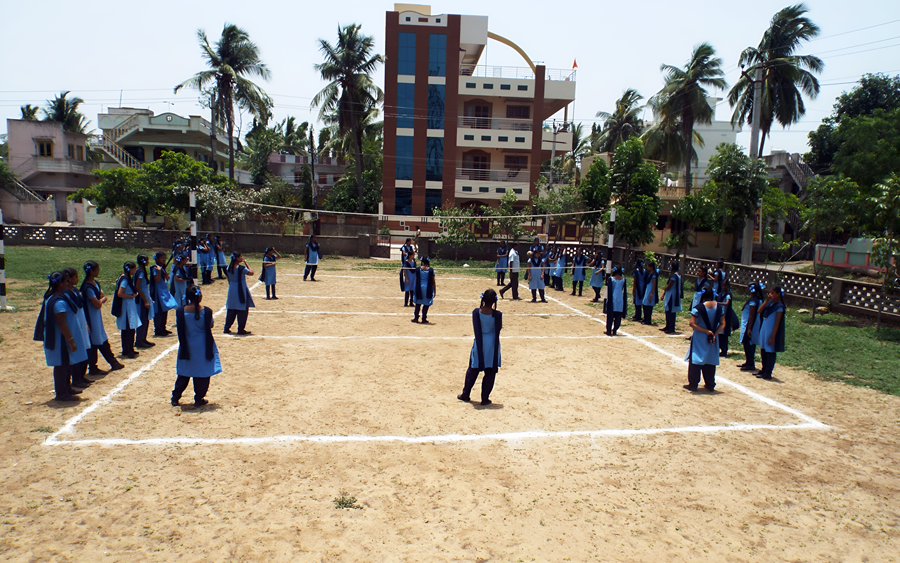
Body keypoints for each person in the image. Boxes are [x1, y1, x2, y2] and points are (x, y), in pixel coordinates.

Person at [35, 272, 89, 402]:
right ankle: (61, 393)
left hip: (64, 338)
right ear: (60, 283)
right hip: (61, 340)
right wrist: (71, 341)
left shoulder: (56, 297)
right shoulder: (58, 302)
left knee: (67, 364)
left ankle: (67, 388)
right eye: (66, 281)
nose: (68, 284)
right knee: (62, 365)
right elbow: (61, 323)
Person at [171, 286, 221, 407]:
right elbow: (211, 325)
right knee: (202, 373)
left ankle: (175, 397)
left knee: (184, 373)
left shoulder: (181, 311)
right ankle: (199, 398)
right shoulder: (207, 311)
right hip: (203, 346)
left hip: (187, 346)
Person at [458, 289, 502, 406]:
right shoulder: (497, 314)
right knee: (490, 371)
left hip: (479, 342)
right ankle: (485, 398)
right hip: (492, 344)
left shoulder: (476, 312)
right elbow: (499, 328)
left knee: (473, 368)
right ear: (494, 301)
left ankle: (466, 394)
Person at [81, 261, 125, 376]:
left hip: (96, 317)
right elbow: (97, 304)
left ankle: (108, 363)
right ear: (91, 271)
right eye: (96, 270)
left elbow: (100, 297)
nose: (98, 271)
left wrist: (101, 299)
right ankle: (102, 365)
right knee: (96, 341)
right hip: (91, 318)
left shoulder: (95, 283)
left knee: (100, 339)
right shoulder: (87, 287)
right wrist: (102, 299)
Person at [684, 287, 727, 392]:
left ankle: (693, 384)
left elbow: (692, 323)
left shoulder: (698, 308)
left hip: (700, 337)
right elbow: (723, 324)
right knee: (710, 360)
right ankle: (710, 384)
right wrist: (714, 333)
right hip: (713, 339)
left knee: (696, 359)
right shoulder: (719, 307)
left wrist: (705, 331)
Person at [61, 267, 93, 390]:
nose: (78, 279)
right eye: (75, 277)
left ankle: (81, 375)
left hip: (81, 322)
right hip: (74, 324)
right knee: (76, 352)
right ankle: (76, 379)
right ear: (68, 279)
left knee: (85, 349)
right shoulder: (65, 294)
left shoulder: (74, 290)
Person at [111, 262, 142, 359]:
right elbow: (120, 293)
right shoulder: (125, 280)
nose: (135, 270)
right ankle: (129, 350)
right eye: (134, 269)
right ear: (130, 269)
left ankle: (127, 349)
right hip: (126, 307)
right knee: (129, 329)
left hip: (128, 306)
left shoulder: (124, 277)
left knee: (127, 329)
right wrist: (130, 296)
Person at [755, 286, 787, 380]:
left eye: (773, 293)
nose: (771, 295)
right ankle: (764, 369)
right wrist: (767, 301)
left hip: (771, 331)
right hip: (764, 329)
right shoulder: (769, 303)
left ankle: (768, 372)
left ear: (778, 294)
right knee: (763, 350)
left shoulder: (779, 307)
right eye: (770, 293)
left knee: (770, 351)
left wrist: (773, 336)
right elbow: (759, 311)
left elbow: (777, 323)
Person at [224, 252, 255, 335]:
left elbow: (228, 278)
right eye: (240, 256)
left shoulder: (228, 267)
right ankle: (241, 329)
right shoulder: (241, 268)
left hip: (232, 288)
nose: (242, 257)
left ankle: (227, 327)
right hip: (240, 288)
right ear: (237, 258)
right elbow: (251, 272)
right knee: (242, 309)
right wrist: (246, 262)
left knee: (231, 309)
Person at [737, 282, 765, 372]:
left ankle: (750, 363)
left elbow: (752, 314)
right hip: (753, 324)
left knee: (748, 342)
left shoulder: (753, 301)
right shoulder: (758, 299)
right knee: (749, 343)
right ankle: (748, 361)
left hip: (750, 324)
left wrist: (749, 328)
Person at [150, 252, 178, 337]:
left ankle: (163, 327)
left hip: (163, 291)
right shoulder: (155, 268)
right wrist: (159, 271)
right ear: (157, 259)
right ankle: (158, 329)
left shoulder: (162, 268)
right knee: (159, 310)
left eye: (165, 257)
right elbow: (157, 280)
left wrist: (166, 276)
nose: (164, 259)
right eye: (162, 258)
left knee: (164, 310)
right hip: (158, 292)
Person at [133, 254, 155, 349]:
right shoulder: (141, 273)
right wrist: (145, 300)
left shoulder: (140, 271)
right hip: (142, 299)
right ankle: (139, 340)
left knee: (145, 319)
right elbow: (138, 287)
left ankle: (143, 339)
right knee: (143, 319)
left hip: (144, 297)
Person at [411, 256, 436, 324]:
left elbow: (416, 280)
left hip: (419, 287)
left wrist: (415, 288)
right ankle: (424, 318)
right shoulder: (431, 270)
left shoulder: (418, 269)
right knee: (426, 304)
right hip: (427, 288)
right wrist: (435, 290)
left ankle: (416, 318)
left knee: (418, 304)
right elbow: (433, 281)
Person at [660, 264, 683, 334]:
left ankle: (671, 327)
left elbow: (669, 286)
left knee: (670, 311)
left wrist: (663, 288)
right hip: (671, 294)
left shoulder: (674, 276)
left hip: (672, 295)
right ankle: (668, 326)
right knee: (668, 310)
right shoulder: (678, 275)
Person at [604, 267, 627, 336]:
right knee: (618, 316)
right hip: (620, 299)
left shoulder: (611, 279)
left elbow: (609, 290)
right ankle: (615, 330)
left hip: (613, 298)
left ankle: (609, 330)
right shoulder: (623, 279)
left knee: (610, 316)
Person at [716, 279, 736, 356]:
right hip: (720, 316)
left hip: (726, 316)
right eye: (723, 285)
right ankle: (720, 348)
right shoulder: (720, 294)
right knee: (719, 333)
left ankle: (724, 350)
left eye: (725, 285)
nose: (724, 287)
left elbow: (727, 303)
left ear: (728, 286)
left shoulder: (728, 294)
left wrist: (718, 303)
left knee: (724, 334)